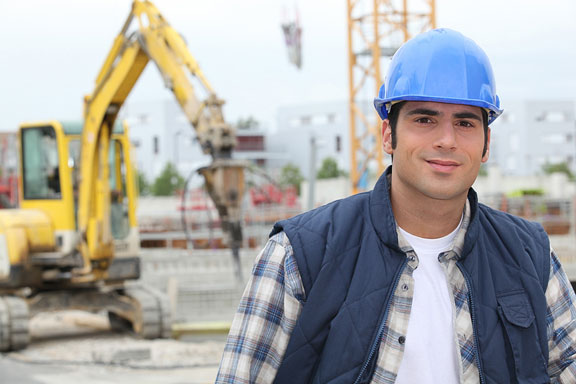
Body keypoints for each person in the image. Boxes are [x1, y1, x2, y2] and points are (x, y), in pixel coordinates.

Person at [215, 28, 576, 383]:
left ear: (485, 144)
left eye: (465, 122)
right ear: (389, 134)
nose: (447, 140)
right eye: (425, 119)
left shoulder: (530, 254)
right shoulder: (300, 255)